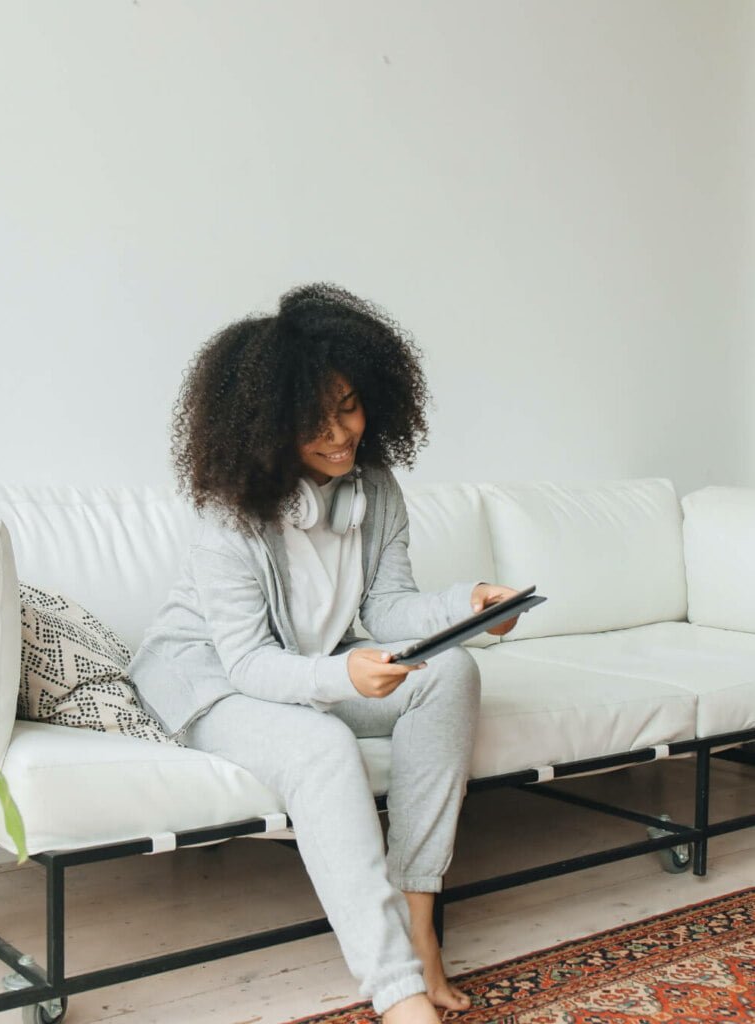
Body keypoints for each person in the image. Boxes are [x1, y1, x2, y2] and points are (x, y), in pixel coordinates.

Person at [128, 283, 522, 1024]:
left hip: (309, 663)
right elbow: (245, 662)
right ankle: (399, 991)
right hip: (209, 676)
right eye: (312, 420)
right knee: (319, 743)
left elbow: (387, 609)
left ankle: (419, 924)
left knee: (452, 674)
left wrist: (466, 607)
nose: (339, 432)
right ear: (268, 427)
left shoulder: (375, 487)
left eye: (348, 405)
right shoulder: (229, 513)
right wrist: (343, 673)